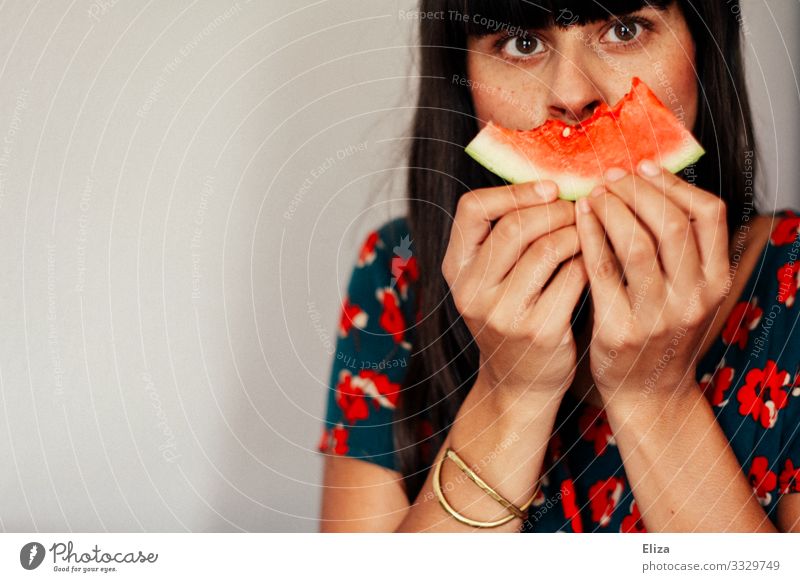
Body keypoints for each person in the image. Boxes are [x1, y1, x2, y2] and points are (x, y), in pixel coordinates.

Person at [317, 0, 800, 532]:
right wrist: (510, 395)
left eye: (624, 29)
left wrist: (655, 397)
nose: (571, 95)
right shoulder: (398, 276)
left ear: (704, 49)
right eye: (521, 42)